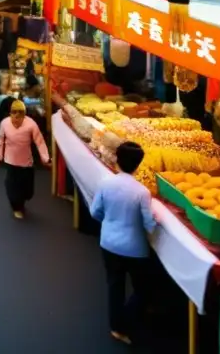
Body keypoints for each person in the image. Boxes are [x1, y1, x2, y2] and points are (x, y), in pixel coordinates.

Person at [90, 142, 157, 345]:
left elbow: (95, 212)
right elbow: (149, 225)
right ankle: (128, 318)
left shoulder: (105, 183)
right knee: (143, 288)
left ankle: (116, 326)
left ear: (117, 160)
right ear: (138, 165)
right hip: (134, 249)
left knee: (114, 286)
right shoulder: (142, 192)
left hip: (108, 244)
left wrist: (110, 222)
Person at [0, 99, 50, 218]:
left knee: (27, 190)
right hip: (11, 161)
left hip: (26, 162)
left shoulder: (31, 124)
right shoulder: (4, 123)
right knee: (12, 185)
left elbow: (39, 141)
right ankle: (16, 207)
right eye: (14, 112)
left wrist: (45, 158)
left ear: (24, 115)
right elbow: (0, 141)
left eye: (20, 113)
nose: (16, 116)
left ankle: (21, 202)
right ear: (10, 113)